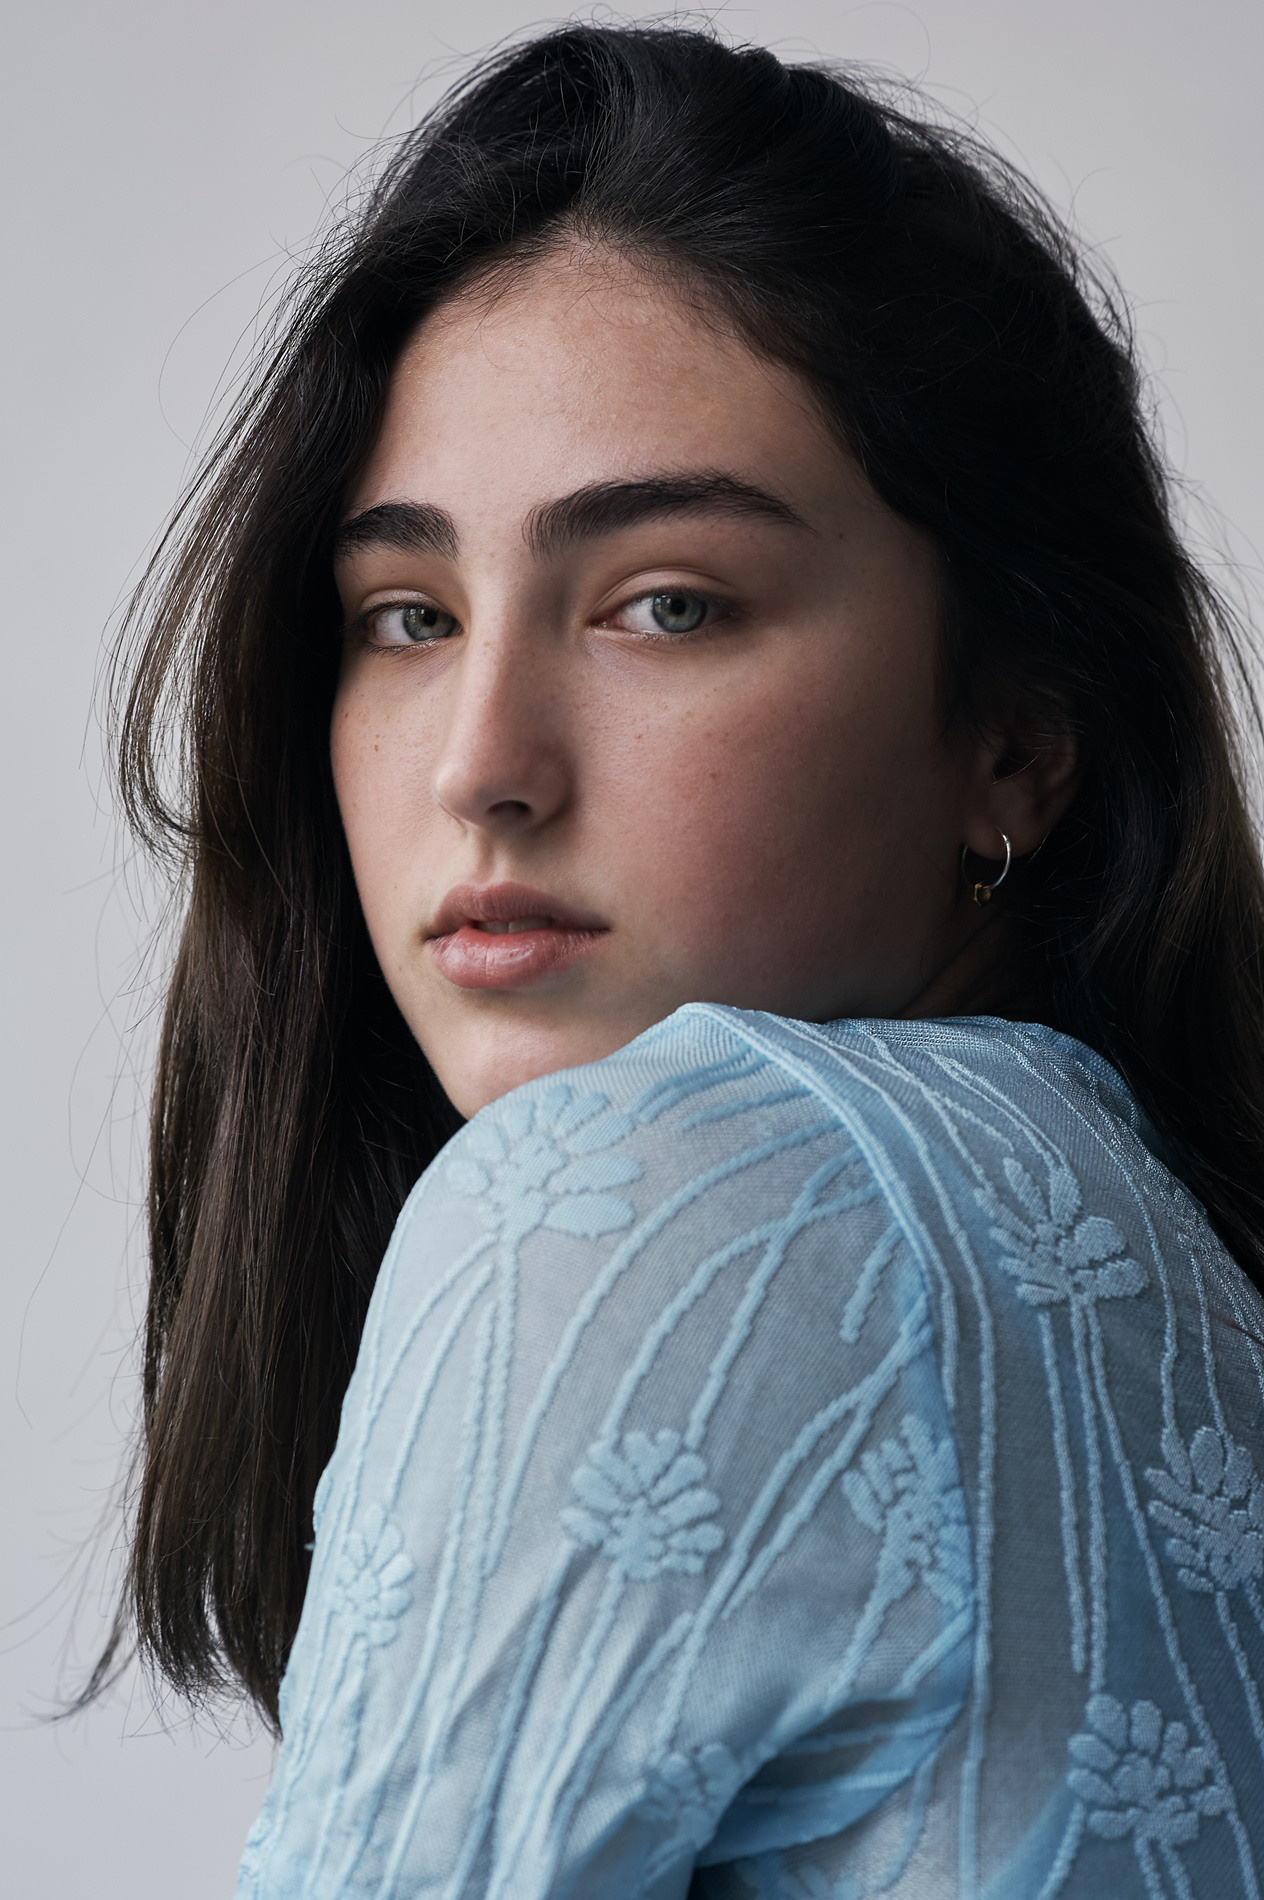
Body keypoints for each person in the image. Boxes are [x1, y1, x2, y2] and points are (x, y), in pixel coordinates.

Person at [100, 22, 1264, 1898]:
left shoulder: (664, 1186)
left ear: (1019, 739)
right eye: (407, 615)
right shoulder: (1163, 1267)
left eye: (666, 604)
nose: (482, 762)